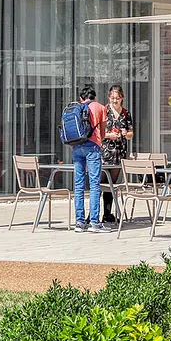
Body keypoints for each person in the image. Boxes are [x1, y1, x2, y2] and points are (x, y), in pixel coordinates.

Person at [71, 84, 109, 233]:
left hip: (76, 147)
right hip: (92, 147)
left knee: (79, 185)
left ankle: (79, 223)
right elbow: (103, 132)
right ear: (94, 97)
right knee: (94, 184)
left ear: (81, 97)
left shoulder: (76, 107)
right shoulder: (100, 107)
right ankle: (94, 222)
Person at [100, 84, 134, 225]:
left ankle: (108, 214)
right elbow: (99, 134)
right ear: (109, 97)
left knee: (112, 185)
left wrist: (126, 134)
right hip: (105, 152)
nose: (115, 100)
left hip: (119, 153)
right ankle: (93, 215)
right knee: (99, 183)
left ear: (122, 98)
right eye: (112, 98)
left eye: (117, 98)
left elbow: (131, 133)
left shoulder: (126, 114)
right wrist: (109, 135)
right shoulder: (104, 111)